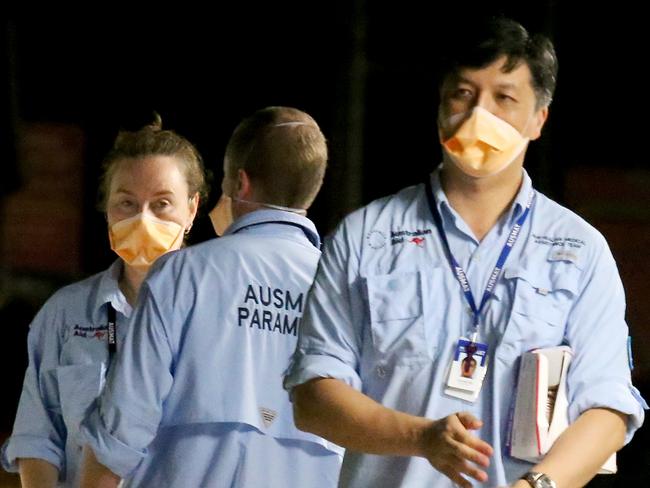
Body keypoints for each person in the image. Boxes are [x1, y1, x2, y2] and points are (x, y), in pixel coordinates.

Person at [284, 17, 647, 488]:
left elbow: (608, 409)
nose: (480, 113)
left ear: (539, 119)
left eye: (504, 97)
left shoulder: (580, 250)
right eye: (463, 94)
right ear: (440, 109)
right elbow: (313, 398)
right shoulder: (364, 237)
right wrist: (421, 438)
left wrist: (536, 486)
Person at [79, 106, 343, 487]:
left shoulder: (182, 274)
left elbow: (121, 429)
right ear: (312, 186)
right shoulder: (348, 296)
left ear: (240, 183)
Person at [0, 116, 206, 487]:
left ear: (192, 209)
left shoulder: (217, 313)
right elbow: (37, 438)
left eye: (161, 204)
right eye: (126, 203)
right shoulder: (66, 313)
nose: (143, 219)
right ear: (107, 208)